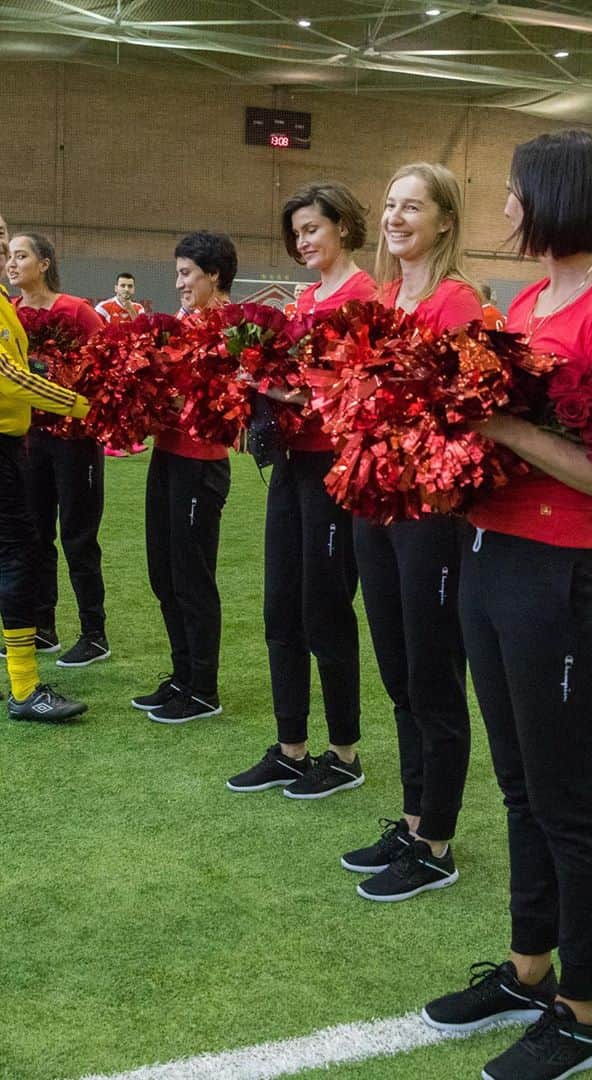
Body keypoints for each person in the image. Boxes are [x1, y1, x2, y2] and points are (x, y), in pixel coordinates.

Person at [419, 131, 592, 1080]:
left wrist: (495, 422)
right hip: (493, 556)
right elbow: (500, 441)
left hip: (564, 578)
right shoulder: (526, 299)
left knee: (568, 800)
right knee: (519, 785)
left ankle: (582, 1009)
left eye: (515, 194)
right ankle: (529, 969)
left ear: (555, 198)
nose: (506, 209)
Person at [340, 162, 482, 902]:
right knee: (397, 673)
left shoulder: (459, 301)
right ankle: (412, 815)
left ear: (445, 221)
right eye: (390, 205)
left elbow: (467, 411)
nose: (396, 218)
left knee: (432, 673)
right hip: (374, 506)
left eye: (412, 207)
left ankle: (437, 841)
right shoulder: (386, 295)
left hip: (428, 514)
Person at [227, 182, 375, 799]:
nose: (302, 240)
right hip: (290, 465)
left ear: (341, 225)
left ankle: (343, 753)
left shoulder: (364, 293)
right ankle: (291, 747)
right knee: (280, 607)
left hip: (335, 471)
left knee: (326, 611)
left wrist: (288, 390)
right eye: (297, 232)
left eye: (312, 228)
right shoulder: (307, 296)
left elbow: (362, 389)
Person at [132, 232, 235, 724]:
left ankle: (204, 689)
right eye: (177, 273)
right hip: (167, 456)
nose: (179, 283)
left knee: (193, 578)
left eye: (187, 273)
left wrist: (175, 403)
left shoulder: (235, 329)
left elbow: (231, 408)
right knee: (163, 574)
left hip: (201, 464)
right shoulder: (182, 325)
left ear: (214, 274)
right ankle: (182, 677)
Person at [7, 233, 111, 669]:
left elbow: (111, 362)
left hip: (76, 440)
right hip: (31, 441)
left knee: (78, 536)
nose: (12, 264)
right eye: (9, 256)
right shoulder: (10, 313)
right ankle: (42, 625)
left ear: (45, 263)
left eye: (22, 255)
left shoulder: (77, 310)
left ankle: (94, 633)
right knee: (34, 534)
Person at [0, 236, 90, 721]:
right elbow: (10, 377)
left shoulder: (5, 304)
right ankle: (24, 688)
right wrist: (80, 403)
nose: (2, 246)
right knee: (18, 555)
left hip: (15, 443)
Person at [96, 273, 149, 456]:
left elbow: (143, 329)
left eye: (129, 286)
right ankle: (109, 445)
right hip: (111, 364)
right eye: (123, 286)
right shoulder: (104, 308)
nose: (126, 290)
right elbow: (96, 334)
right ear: (115, 288)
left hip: (132, 364)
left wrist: (130, 309)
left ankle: (131, 441)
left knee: (132, 403)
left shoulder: (138, 308)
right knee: (113, 404)